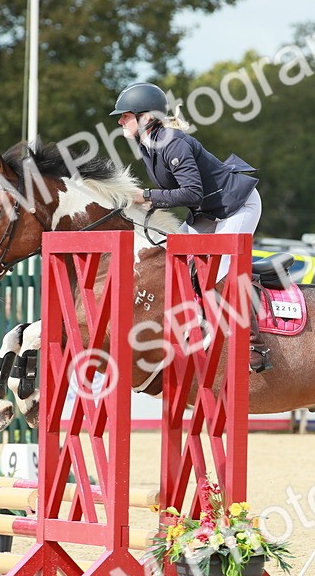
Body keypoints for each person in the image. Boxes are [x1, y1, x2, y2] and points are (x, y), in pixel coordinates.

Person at [112, 82, 272, 370]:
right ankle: (195, 322)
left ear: (145, 117)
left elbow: (191, 192)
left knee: (220, 273)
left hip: (237, 206)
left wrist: (147, 197)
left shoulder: (173, 142)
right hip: (207, 212)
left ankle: (255, 346)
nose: (121, 120)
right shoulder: (147, 144)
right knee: (173, 259)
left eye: (125, 115)